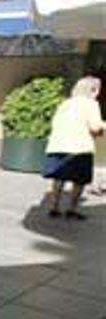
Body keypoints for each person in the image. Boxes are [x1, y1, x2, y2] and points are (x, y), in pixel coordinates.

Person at [42, 76, 105, 220]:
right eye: (98, 90)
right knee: (79, 180)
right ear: (93, 90)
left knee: (59, 177)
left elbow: (54, 123)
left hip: (58, 145)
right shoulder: (91, 104)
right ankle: (71, 210)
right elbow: (95, 126)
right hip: (79, 146)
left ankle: (54, 208)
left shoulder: (65, 104)